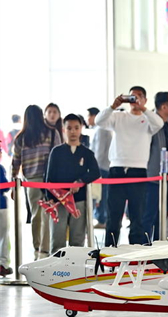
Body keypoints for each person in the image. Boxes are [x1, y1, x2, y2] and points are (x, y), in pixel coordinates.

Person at [96, 86, 164, 246]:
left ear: (145, 100)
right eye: (132, 96)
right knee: (113, 217)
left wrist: (144, 109)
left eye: (139, 96)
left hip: (138, 171)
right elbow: (99, 121)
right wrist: (113, 106)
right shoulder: (118, 116)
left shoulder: (148, 119)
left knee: (137, 217)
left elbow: (159, 123)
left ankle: (135, 253)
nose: (135, 100)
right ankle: (109, 252)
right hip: (117, 170)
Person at [44, 114, 100, 253]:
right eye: (69, 128)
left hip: (79, 200)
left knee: (78, 238)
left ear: (81, 128)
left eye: (76, 128)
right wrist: (49, 199)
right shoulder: (56, 152)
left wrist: (80, 182)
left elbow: (95, 172)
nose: (73, 131)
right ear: (64, 129)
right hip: (58, 201)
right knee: (57, 238)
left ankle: (76, 269)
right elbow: (49, 177)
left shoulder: (87, 153)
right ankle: (56, 268)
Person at [11, 105, 62, 258]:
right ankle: (45, 249)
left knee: (36, 214)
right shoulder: (52, 133)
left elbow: (15, 162)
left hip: (31, 181)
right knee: (49, 213)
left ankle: (37, 247)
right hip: (50, 180)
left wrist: (14, 185)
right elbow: (59, 156)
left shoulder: (21, 137)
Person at [144, 91, 168, 241]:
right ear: (164, 106)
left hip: (162, 180)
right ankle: (143, 251)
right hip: (151, 179)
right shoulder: (150, 124)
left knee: (159, 218)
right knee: (148, 217)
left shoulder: (166, 127)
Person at [86, 107, 112, 229]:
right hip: (101, 166)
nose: (87, 119)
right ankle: (101, 218)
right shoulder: (98, 129)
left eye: (88, 116)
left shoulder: (101, 129)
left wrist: (93, 167)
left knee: (101, 194)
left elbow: (99, 151)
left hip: (100, 167)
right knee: (100, 194)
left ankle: (102, 219)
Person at [0, 163, 11, 276]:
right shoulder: (0, 168)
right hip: (1, 206)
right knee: (3, 236)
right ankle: (3, 265)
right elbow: (6, 186)